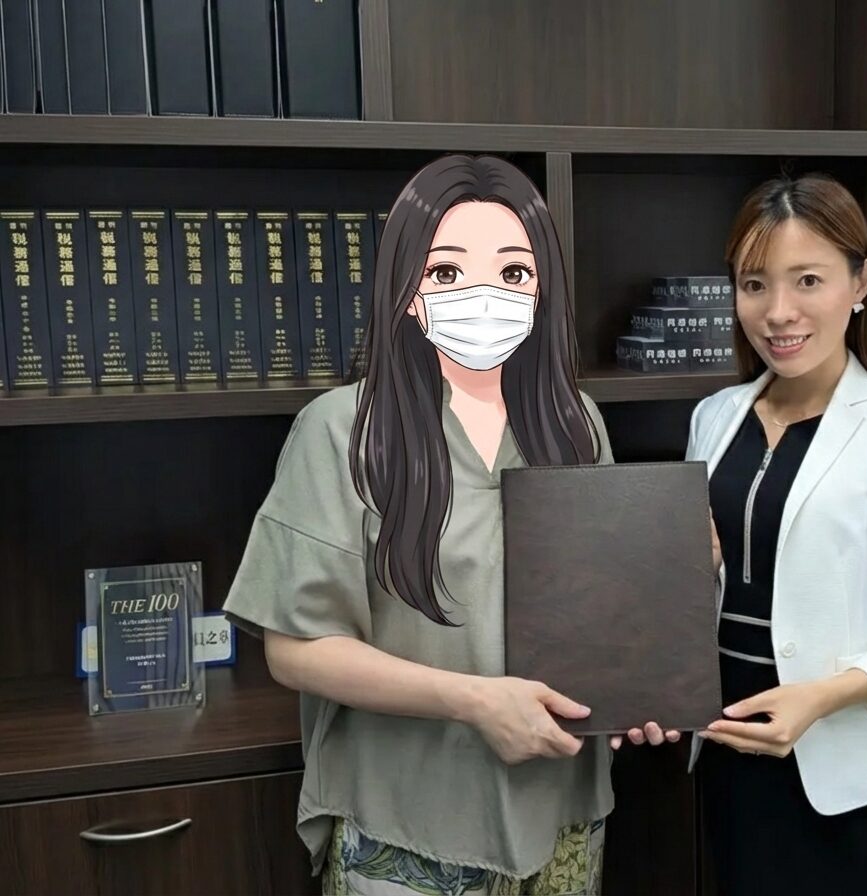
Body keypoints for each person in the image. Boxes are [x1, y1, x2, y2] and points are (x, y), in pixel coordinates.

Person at [223, 154, 676, 896]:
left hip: (562, 813)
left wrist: (642, 688)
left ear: (542, 290)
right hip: (410, 820)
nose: (484, 296)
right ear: (407, 290)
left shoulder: (576, 424)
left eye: (513, 272)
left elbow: (599, 611)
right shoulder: (343, 431)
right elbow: (296, 650)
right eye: (447, 272)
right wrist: (473, 700)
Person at [686, 172, 867, 895]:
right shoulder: (713, 417)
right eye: (754, 285)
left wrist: (817, 699)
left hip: (855, 776)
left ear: (860, 282)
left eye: (807, 280)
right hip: (729, 753)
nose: (778, 312)